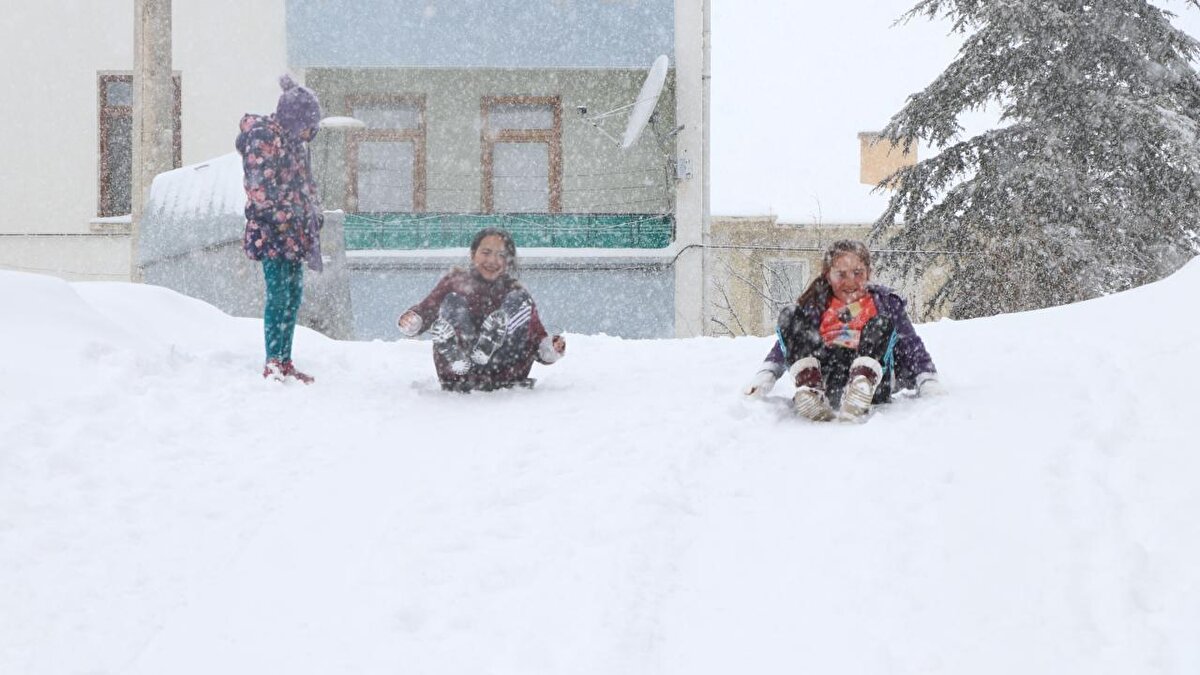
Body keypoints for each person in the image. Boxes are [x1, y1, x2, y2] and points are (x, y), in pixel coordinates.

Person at [743, 240, 941, 420]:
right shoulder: (816, 305)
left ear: (868, 273)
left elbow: (911, 345)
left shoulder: (885, 304)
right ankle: (811, 390)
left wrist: (927, 380)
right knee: (791, 315)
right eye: (841, 274)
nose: (850, 282)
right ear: (828, 276)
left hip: (873, 382)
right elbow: (788, 344)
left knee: (881, 324)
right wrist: (766, 375)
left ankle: (861, 387)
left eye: (858, 273)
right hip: (827, 378)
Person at [397, 228, 566, 391]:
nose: (492, 260)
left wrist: (551, 347)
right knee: (452, 300)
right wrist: (414, 320)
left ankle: (490, 342)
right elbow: (427, 309)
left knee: (519, 300)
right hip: (460, 371)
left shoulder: (516, 293)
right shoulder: (455, 282)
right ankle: (455, 352)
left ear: (508, 261)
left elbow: (536, 337)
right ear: (473, 255)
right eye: (486, 252)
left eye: (501, 255)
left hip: (505, 370)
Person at [236, 74, 323, 384]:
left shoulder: (295, 142)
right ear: (294, 119)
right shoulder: (263, 137)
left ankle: (285, 360)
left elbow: (306, 183)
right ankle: (273, 361)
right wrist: (284, 216)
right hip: (272, 231)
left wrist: (314, 211)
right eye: (308, 124)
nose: (311, 132)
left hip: (295, 230)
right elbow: (257, 187)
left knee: (293, 294)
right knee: (278, 294)